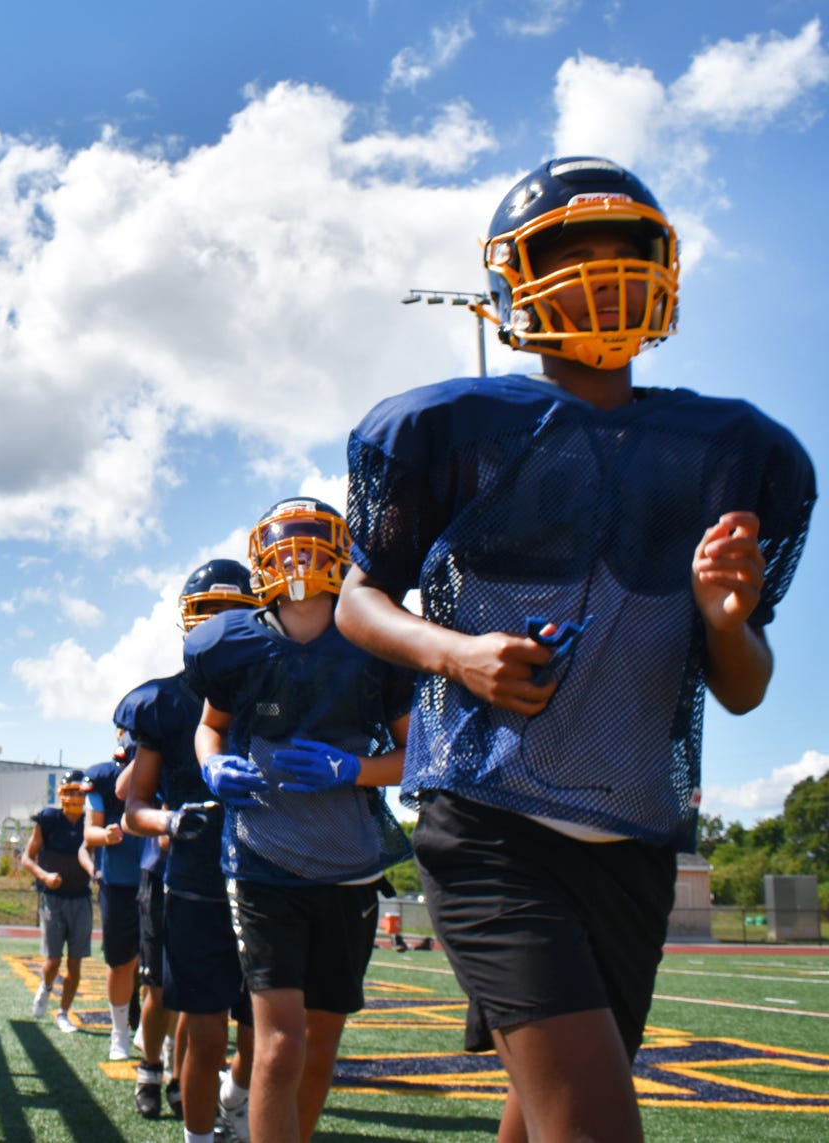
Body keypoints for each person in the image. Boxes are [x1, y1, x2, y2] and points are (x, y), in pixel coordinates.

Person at [335, 156, 815, 1143]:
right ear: (512, 276)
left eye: (621, 250)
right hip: (492, 823)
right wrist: (454, 656)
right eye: (569, 251)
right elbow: (357, 600)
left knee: (543, 1114)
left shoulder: (734, 449)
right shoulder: (446, 426)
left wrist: (725, 621)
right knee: (595, 1126)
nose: (599, 271)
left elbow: (745, 691)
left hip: (634, 839)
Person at [186, 500, 413, 1142]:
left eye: (314, 539)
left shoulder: (375, 642)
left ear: (343, 552)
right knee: (279, 1044)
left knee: (318, 1052)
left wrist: (354, 768)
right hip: (263, 858)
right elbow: (211, 728)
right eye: (285, 541)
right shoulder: (232, 643)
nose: (297, 554)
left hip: (349, 864)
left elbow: (417, 754)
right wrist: (213, 768)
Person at [121, 560, 260, 1142]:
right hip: (191, 875)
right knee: (192, 1019)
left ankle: (230, 1099)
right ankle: (161, 1080)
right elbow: (135, 809)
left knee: (260, 1028)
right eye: (208, 615)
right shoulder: (165, 702)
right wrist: (173, 821)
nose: (219, 628)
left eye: (233, 615)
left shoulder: (273, 683)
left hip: (266, 870)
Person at [83, 735, 147, 1061]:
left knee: (157, 966)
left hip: (159, 877)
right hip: (120, 882)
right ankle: (119, 1032)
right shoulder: (104, 778)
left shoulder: (166, 769)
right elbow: (90, 833)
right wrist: (106, 835)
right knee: (121, 962)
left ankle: (148, 1030)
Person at [21, 772, 98, 1034]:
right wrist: (44, 876)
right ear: (62, 794)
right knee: (53, 961)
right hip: (53, 899)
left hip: (81, 898)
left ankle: (63, 1013)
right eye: (71, 792)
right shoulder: (49, 820)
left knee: (75, 963)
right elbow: (27, 858)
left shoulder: (91, 821)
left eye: (79, 792)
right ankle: (46, 986)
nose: (75, 797)